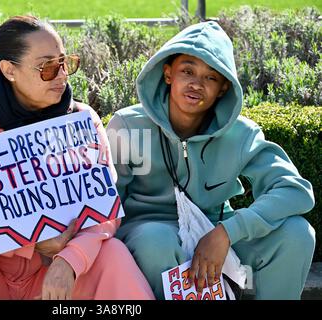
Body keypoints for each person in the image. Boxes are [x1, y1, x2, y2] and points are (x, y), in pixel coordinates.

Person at [0, 15, 154, 300]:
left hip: (58, 274)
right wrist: (28, 242)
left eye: (65, 62)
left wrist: (70, 260)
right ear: (9, 70)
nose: (62, 75)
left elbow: (104, 212)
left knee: (113, 254)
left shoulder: (82, 119)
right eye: (48, 67)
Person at [106, 21, 315, 300]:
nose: (196, 84)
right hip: (150, 235)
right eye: (187, 71)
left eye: (211, 77)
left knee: (296, 233)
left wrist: (227, 232)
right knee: (156, 241)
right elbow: (106, 202)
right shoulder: (129, 126)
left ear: (224, 88)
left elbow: (296, 191)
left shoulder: (241, 134)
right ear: (168, 73)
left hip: (216, 234)